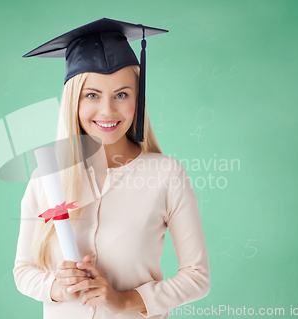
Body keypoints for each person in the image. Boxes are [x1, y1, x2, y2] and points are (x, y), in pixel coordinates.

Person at [13, 18, 210, 318]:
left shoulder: (166, 175)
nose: (107, 110)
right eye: (92, 95)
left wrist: (125, 300)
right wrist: (57, 287)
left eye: (121, 94)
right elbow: (23, 271)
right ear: (73, 102)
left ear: (137, 98)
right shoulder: (46, 178)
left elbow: (197, 278)